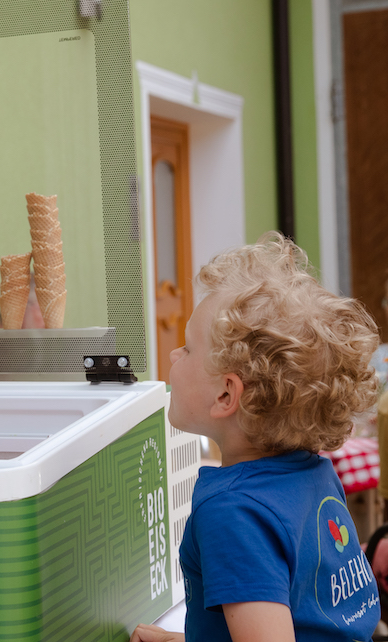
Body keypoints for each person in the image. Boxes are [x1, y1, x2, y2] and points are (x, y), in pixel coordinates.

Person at [132, 233, 381, 642]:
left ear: (226, 394)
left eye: (188, 349)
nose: (175, 355)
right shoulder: (313, 473)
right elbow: (304, 614)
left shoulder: (232, 512)